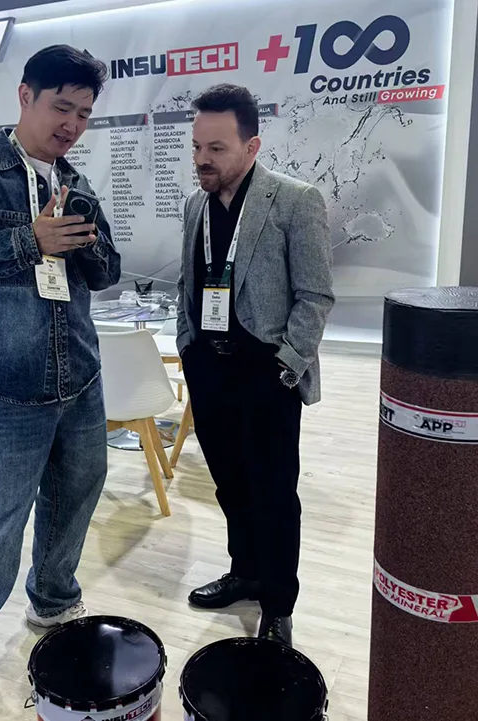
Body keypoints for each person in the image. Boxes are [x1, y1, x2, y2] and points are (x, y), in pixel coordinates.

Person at [0, 45, 120, 717]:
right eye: (62, 107)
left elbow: (107, 270)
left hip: (80, 375)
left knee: (74, 499)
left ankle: (54, 600)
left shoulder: (77, 181)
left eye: (84, 114)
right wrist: (29, 240)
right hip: (10, 385)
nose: (72, 124)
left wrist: (85, 243)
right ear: (25, 96)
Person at [177, 84, 334, 648]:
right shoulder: (195, 205)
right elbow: (188, 283)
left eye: (216, 149)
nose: (202, 159)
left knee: (273, 495)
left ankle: (278, 604)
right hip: (209, 373)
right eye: (197, 147)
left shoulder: (295, 200)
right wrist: (189, 348)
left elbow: (315, 295)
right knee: (229, 485)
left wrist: (285, 368)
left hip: (267, 376)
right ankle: (244, 571)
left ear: (251, 146)